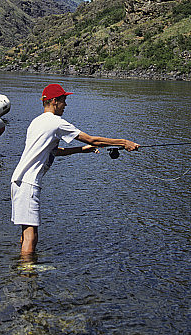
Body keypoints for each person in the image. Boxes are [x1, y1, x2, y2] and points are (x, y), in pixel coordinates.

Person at [10, 83, 139, 258]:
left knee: (26, 232)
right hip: (29, 184)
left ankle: (22, 267)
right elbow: (93, 140)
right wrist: (124, 142)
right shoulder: (56, 122)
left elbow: (55, 152)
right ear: (55, 101)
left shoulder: (36, 122)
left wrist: (80, 150)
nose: (66, 105)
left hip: (17, 182)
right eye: (64, 100)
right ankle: (27, 273)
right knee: (31, 235)